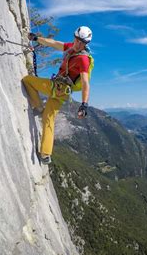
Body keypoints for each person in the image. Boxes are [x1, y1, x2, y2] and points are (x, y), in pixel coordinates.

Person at [22, 26, 94, 165]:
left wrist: (84, 104)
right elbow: (54, 43)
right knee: (48, 119)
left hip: (56, 87)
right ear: (75, 38)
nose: (78, 44)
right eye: (77, 40)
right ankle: (45, 153)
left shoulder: (83, 59)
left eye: (82, 42)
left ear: (86, 44)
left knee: (27, 80)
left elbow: (85, 82)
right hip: (62, 92)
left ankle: (37, 106)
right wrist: (37, 38)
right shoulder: (70, 47)